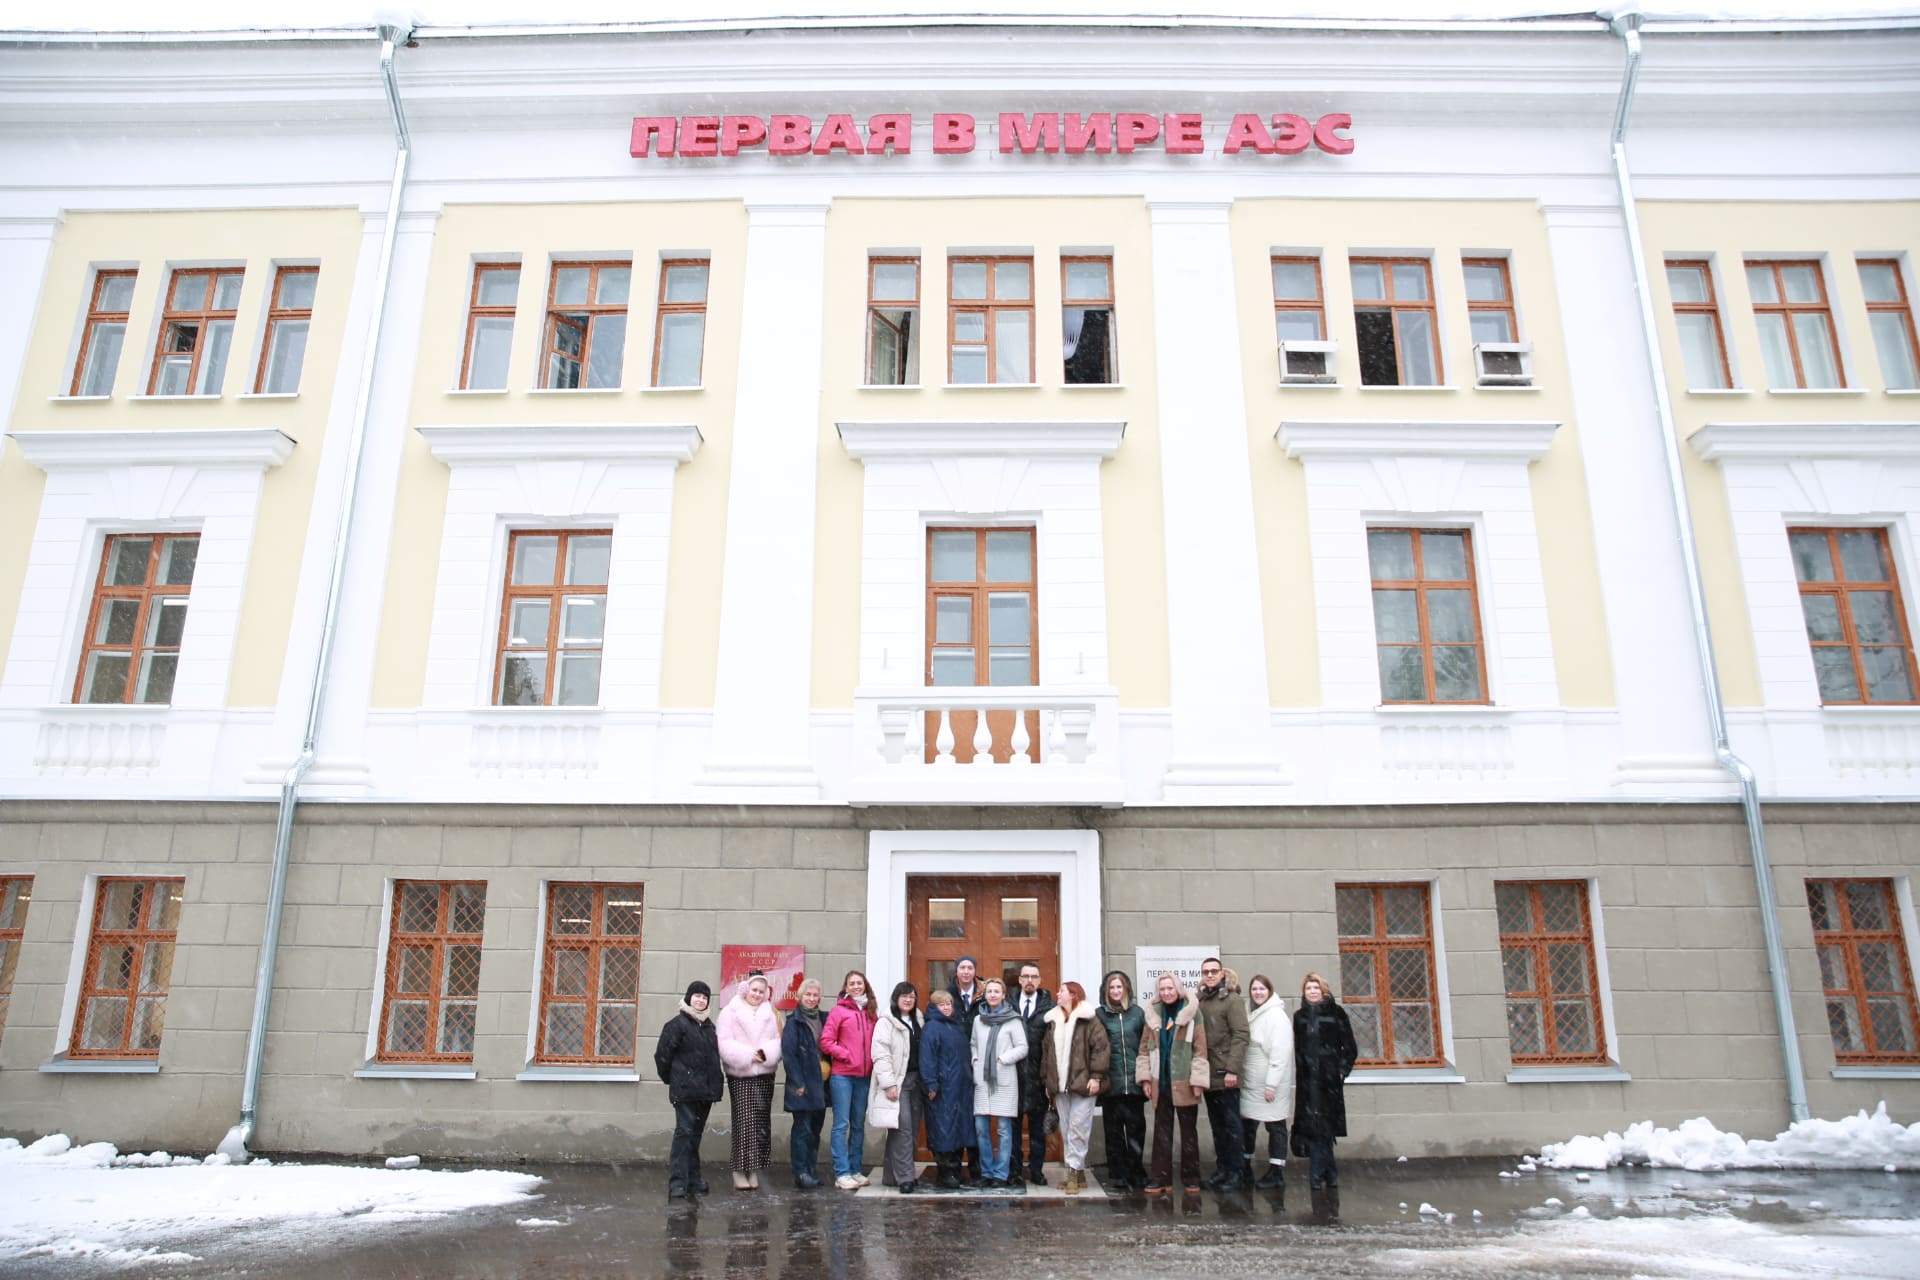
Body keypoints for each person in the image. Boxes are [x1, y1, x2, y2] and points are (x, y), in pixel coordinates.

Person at [1136, 972, 1209, 1196]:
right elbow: (1144, 1049)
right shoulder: (1153, 1014)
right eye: (1162, 989)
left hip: (1184, 1081)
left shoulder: (1192, 1013)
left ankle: (1191, 1178)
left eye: (1170, 988)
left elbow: (1200, 1050)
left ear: (1178, 989)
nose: (1166, 993)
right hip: (1161, 1082)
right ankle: (1160, 1178)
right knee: (1161, 1132)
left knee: (1188, 1133)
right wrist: (1146, 1079)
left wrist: (1198, 1080)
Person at [653, 979, 724, 1201]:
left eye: (704, 997)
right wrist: (675, 1080)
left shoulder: (709, 1027)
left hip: (705, 1093)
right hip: (684, 1092)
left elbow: (712, 1059)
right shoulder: (676, 1025)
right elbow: (662, 1057)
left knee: (695, 1136)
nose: (700, 1000)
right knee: (684, 1135)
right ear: (688, 998)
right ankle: (678, 1183)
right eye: (697, 996)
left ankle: (694, 1179)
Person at [1039, 980, 1109, 1195]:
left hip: (1083, 1084)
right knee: (1067, 1128)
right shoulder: (1054, 1020)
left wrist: (1096, 1076)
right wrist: (1048, 1081)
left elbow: (1100, 1049)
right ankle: (1077, 1172)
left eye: (1062, 991)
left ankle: (1072, 1171)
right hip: (1060, 1086)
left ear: (1073, 995)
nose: (1058, 994)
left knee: (1079, 1128)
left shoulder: (1090, 1020)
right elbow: (1047, 1053)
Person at [1292, 971, 1358, 1191]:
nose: (1312, 992)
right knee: (1315, 1126)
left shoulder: (1336, 1013)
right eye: (1308, 988)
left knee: (1323, 1127)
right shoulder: (1299, 1016)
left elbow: (1350, 1046)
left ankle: (1316, 1175)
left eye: (1316, 988)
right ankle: (1330, 1174)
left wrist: (1341, 1071)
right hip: (1307, 1080)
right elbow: (1299, 1048)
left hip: (1328, 1081)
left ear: (1323, 991)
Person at [716, 972, 783, 1190]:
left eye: (761, 991)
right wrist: (747, 1055)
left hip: (764, 1074)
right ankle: (738, 1170)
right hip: (741, 1074)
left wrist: (765, 1054)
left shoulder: (770, 1012)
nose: (757, 994)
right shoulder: (730, 1011)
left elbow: (777, 1040)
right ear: (746, 990)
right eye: (754, 990)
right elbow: (724, 1042)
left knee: (760, 1123)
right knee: (744, 1122)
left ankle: (754, 1169)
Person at [1196, 957, 1251, 1191]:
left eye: (1214, 971)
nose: (1210, 975)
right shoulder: (1201, 1001)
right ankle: (1222, 1171)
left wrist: (1232, 1069)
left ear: (1222, 974)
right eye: (1206, 972)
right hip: (1208, 1073)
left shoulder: (1232, 1000)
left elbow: (1241, 1035)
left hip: (1226, 1073)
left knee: (1232, 1126)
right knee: (1218, 1126)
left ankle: (1236, 1173)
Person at [968, 977, 1028, 1192]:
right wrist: (975, 1060)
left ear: (1004, 995)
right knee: (981, 1128)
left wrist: (1004, 1059)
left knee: (1004, 1129)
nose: (992, 995)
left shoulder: (1013, 1020)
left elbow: (1022, 1047)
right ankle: (987, 1171)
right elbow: (973, 1044)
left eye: (996, 991)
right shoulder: (978, 1020)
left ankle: (1001, 1173)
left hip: (1004, 1080)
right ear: (985, 995)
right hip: (982, 1080)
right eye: (989, 991)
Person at [820, 969, 878, 1190]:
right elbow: (826, 1041)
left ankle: (855, 1169)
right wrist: (845, 1054)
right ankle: (842, 1172)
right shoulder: (839, 1011)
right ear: (846, 987)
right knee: (841, 1125)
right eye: (851, 983)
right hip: (842, 1076)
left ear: (865, 986)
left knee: (858, 1124)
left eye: (859, 983)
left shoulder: (871, 1012)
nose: (856, 986)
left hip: (864, 1077)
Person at [1094, 970, 1148, 1192]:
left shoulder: (1137, 1014)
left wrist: (1144, 1076)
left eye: (1119, 987)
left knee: (1136, 1130)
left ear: (1126, 989)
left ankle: (1136, 1171)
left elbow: (1145, 1045)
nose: (1116, 991)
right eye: (1112, 988)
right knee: (1113, 1132)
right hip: (1111, 1083)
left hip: (1134, 1082)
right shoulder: (1100, 1015)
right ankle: (1118, 1173)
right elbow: (1097, 1047)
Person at [1240, 973, 1295, 1191]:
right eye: (1254, 989)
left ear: (1269, 991)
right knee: (1248, 1124)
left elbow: (1280, 1053)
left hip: (1269, 1084)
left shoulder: (1276, 1016)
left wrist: (1271, 1084)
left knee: (1275, 1125)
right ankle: (1245, 1166)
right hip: (1252, 1083)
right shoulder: (1252, 1013)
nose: (1258, 993)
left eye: (1262, 989)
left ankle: (1276, 1171)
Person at [869, 980, 925, 1194]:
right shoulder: (886, 1022)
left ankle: (891, 1175)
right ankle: (905, 1177)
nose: (908, 1000)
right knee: (903, 1129)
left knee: (907, 1130)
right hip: (897, 1083)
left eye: (911, 996)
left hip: (916, 1081)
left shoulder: (918, 1019)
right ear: (896, 998)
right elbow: (880, 1054)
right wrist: (889, 1084)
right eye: (904, 996)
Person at [920, 989, 975, 1190]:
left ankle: (956, 1170)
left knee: (958, 1129)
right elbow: (927, 1058)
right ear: (934, 1006)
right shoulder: (931, 1028)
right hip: (942, 1089)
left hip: (960, 1088)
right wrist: (931, 1084)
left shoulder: (955, 1026)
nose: (946, 1007)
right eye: (942, 1004)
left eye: (949, 1004)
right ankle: (945, 1172)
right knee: (943, 1129)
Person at [780, 977, 829, 1189]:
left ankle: (811, 1168)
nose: (811, 998)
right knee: (802, 1130)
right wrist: (797, 1082)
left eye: (815, 995)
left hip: (821, 1085)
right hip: (802, 1085)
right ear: (800, 996)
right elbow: (789, 1055)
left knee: (815, 1130)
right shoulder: (794, 1022)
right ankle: (800, 1172)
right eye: (808, 994)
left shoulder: (825, 1019)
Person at [1012, 962, 1056, 1185]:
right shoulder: (1008, 1005)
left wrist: (1049, 1078)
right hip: (1013, 1077)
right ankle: (1015, 1170)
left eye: (1034, 977)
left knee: (1038, 1130)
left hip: (1039, 1078)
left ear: (1039, 981)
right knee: (1013, 1128)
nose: (1029, 980)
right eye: (1026, 976)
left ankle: (1036, 1169)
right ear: (1019, 980)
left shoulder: (1050, 1008)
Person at [945, 956, 986, 1177]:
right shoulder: (948, 996)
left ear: (975, 971)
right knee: (956, 1115)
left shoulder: (985, 996)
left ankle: (976, 1165)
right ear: (957, 971)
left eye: (970, 968)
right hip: (954, 1065)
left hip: (979, 1063)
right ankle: (953, 1165)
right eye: (962, 967)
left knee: (978, 1116)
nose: (966, 972)